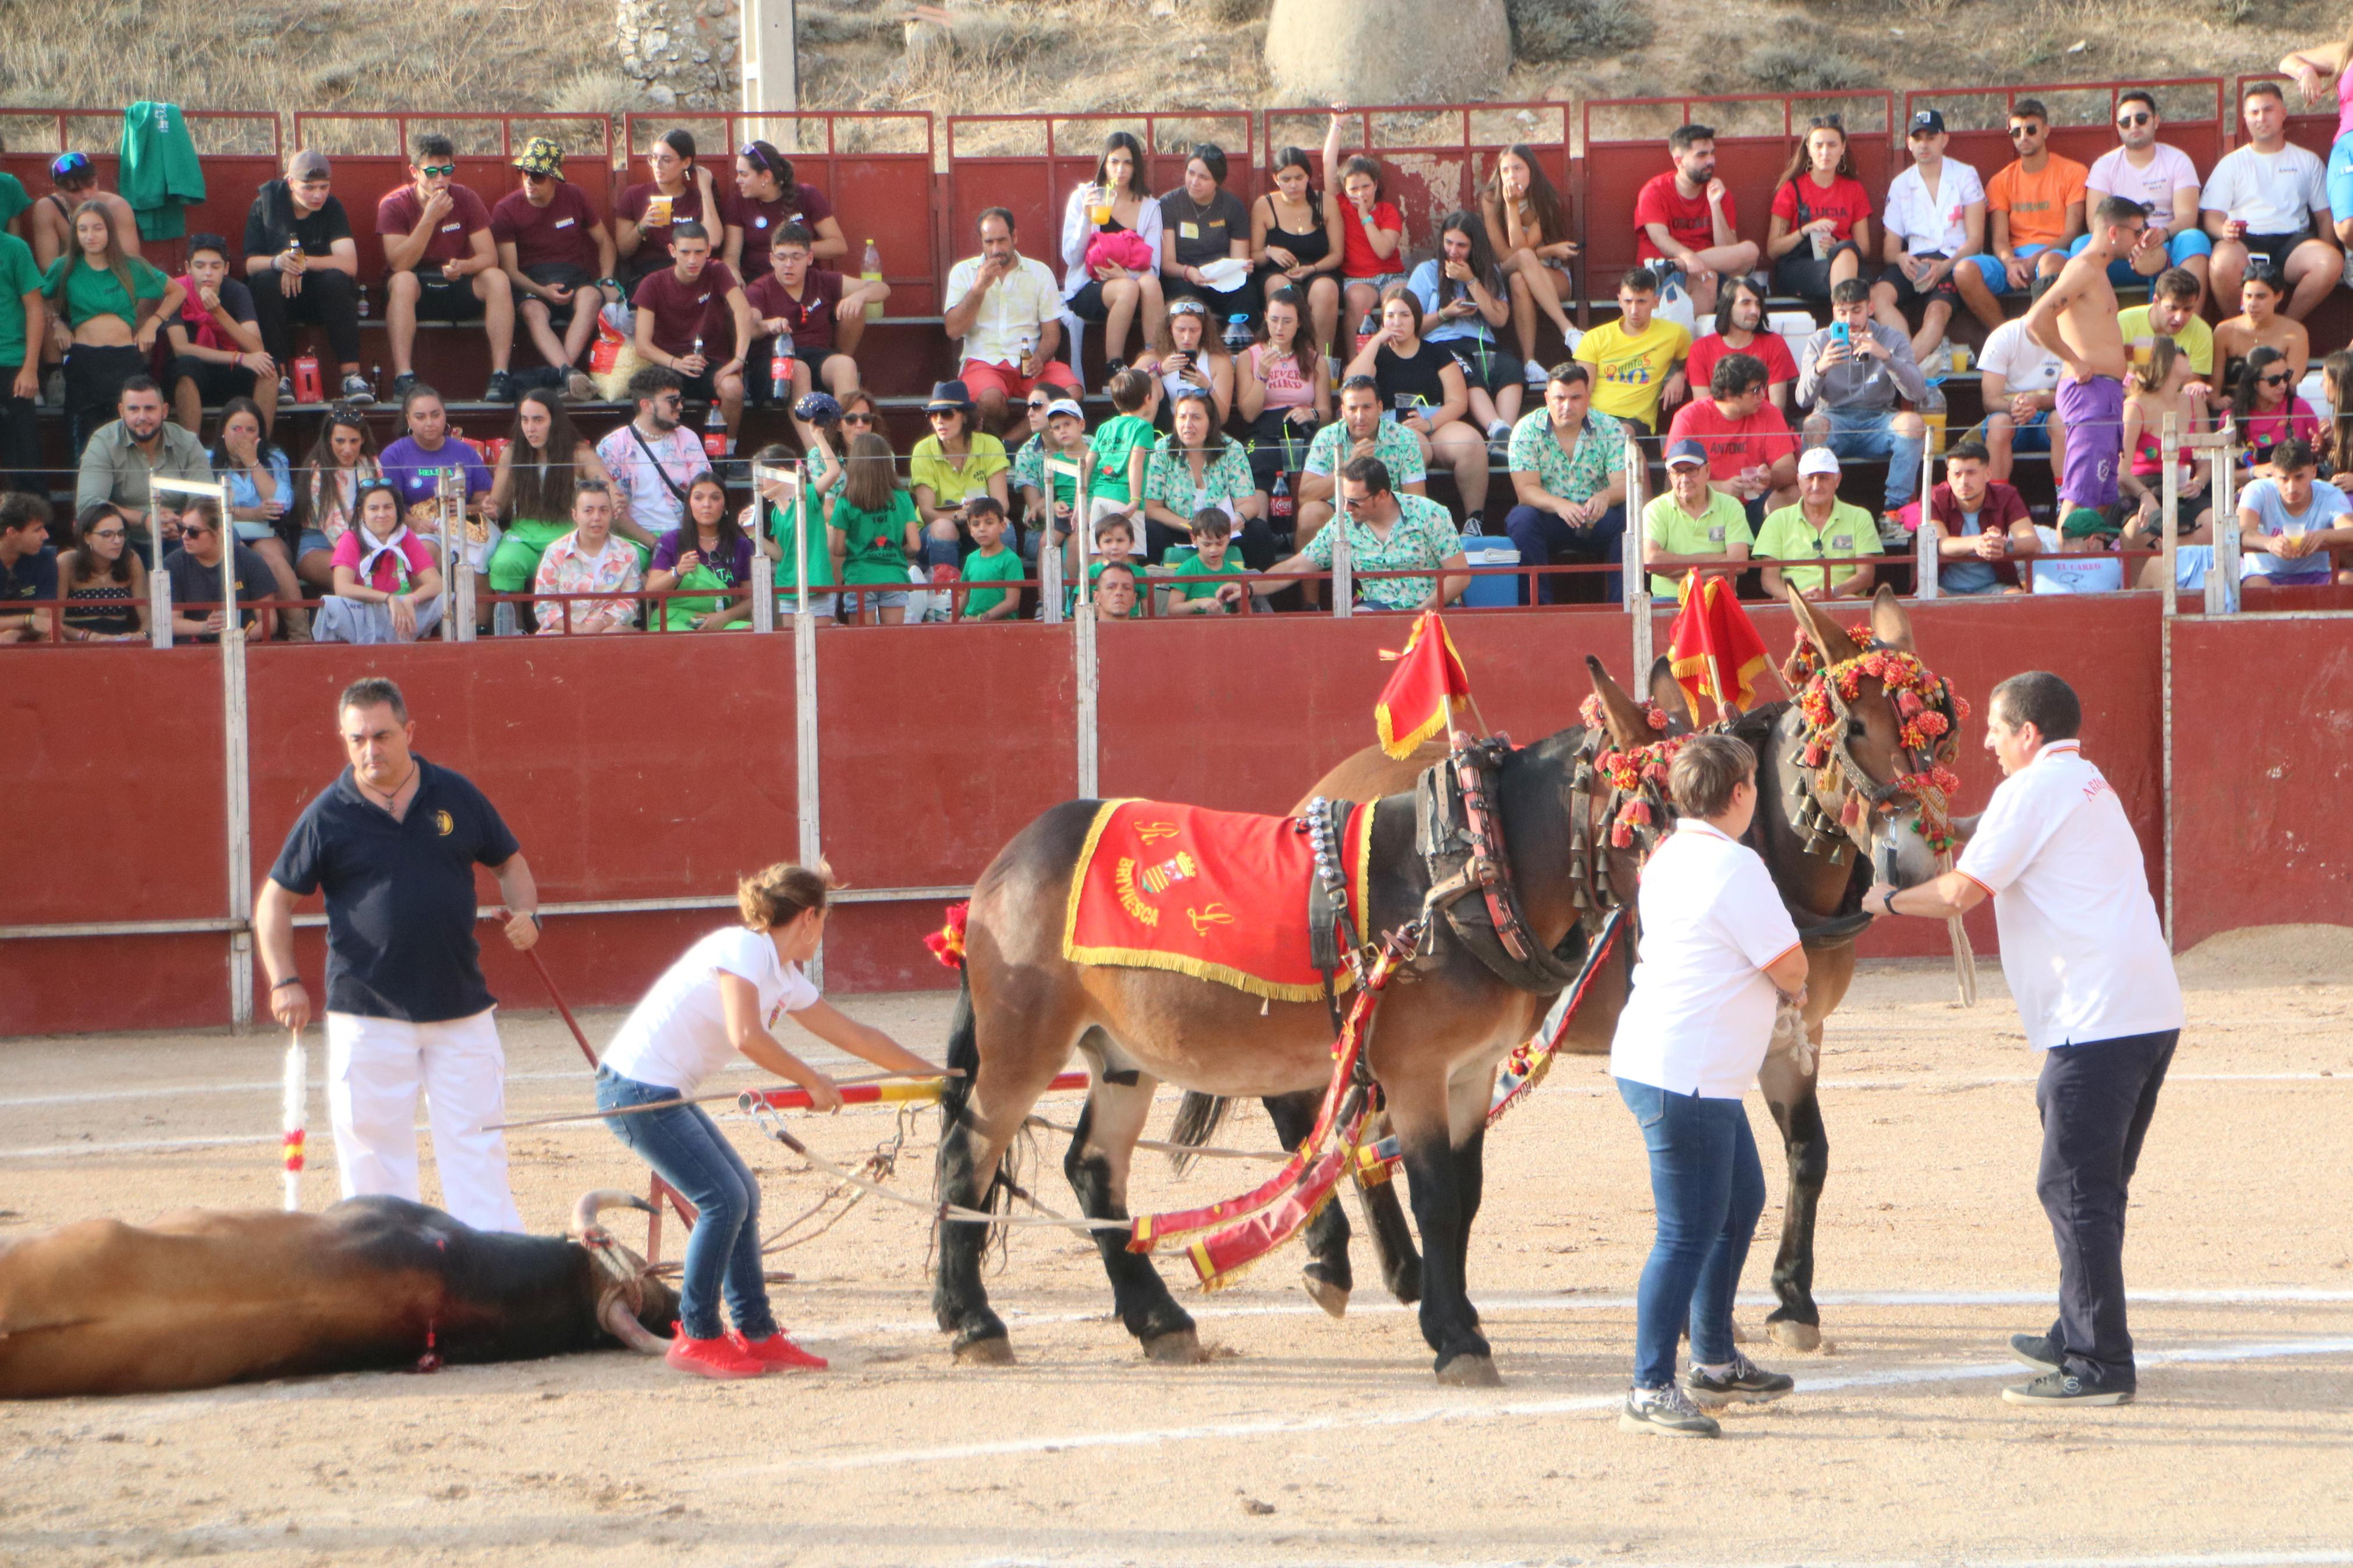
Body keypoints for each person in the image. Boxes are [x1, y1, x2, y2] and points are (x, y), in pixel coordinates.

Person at [1866, 671, 2182, 1406]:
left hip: (2098, 1019)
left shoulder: (2031, 791)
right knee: (2091, 1186)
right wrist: (1954, 827)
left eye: (1996, 730)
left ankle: (2099, 1362)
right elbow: (2006, 839)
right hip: (2141, 1009)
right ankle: (2078, 1325)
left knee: (2074, 1188)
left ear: (2027, 735)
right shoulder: (2083, 779)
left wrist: (1883, 900)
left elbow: (1959, 894)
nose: (1986, 741)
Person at [595, 863, 935, 1378]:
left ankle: (756, 1331)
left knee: (742, 1195)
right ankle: (698, 1333)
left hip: (662, 1089)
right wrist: (811, 1079)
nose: (823, 934)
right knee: (723, 1199)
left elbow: (858, 1036)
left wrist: (938, 1076)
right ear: (808, 917)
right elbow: (746, 1034)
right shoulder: (744, 948)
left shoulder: (782, 975)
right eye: (825, 920)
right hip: (635, 1089)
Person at [258, 678, 538, 1235]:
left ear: (408, 731)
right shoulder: (327, 814)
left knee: (478, 1147)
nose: (370, 750)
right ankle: (385, 1279)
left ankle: (491, 1276)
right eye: (357, 738)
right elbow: (274, 902)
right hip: (367, 1011)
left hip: (460, 1006)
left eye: (381, 735)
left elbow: (510, 865)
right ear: (343, 739)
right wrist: (283, 980)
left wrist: (528, 915)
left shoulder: (454, 794)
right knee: (373, 1161)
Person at [1610, 732, 1804, 1438]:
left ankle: (1715, 1360)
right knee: (1686, 1232)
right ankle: (1649, 1383)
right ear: (1740, 792)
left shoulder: (1666, 853)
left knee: (1740, 1199)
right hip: (1684, 1073)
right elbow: (1789, 965)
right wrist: (1791, 985)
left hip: (1685, 1067)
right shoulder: (1735, 864)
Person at [2024, 197, 2146, 520]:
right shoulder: (2082, 268)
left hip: (2105, 394)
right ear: (2115, 232)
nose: (2139, 240)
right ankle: (2068, 567)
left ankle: (2090, 564)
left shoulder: (2099, 273)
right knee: (2079, 497)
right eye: (2136, 232)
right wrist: (2074, 360)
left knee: (2101, 498)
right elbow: (2036, 321)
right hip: (2088, 394)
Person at [376, 133, 515, 404]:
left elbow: (490, 256)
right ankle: (403, 377)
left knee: (497, 279)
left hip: (457, 282)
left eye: (447, 170)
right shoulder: (394, 204)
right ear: (415, 171)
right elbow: (399, 263)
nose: (441, 179)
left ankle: (501, 374)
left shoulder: (466, 198)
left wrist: (464, 266)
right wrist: (429, 218)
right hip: (417, 287)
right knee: (402, 281)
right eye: (432, 172)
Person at [1346, 283, 1492, 529]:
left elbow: (1458, 400)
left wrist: (1430, 423)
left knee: (1471, 442)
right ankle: (1410, 522)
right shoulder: (1377, 356)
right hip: (1392, 425)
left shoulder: (1437, 353)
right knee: (1413, 443)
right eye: (1390, 316)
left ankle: (1474, 520)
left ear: (1416, 319)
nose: (1397, 322)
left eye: (1404, 315)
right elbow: (1352, 384)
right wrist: (1377, 341)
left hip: (1434, 420)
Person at [42, 200, 175, 451]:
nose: (90, 236)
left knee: (128, 435)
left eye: (97, 228)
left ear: (109, 231)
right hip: (84, 359)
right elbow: (40, 297)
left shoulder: (131, 266)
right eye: (83, 229)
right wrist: (57, 323)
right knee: (84, 438)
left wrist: (152, 324)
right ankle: (85, 490)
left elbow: (176, 291)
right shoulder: (64, 266)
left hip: (125, 359)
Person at [2201, 81, 2340, 323]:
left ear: (2283, 113)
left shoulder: (2307, 160)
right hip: (2245, 240)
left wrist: (2328, 251)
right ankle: (2239, 329)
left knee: (2330, 262)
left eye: (2268, 110)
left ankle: (2284, 326)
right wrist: (2223, 230)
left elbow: (2324, 217)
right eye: (2254, 112)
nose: (2261, 118)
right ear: (2245, 117)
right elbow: (2212, 217)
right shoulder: (2232, 164)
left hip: (2293, 243)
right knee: (2221, 262)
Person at [1796, 278, 1930, 522]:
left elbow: (1918, 393)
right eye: (1842, 312)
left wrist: (1887, 357)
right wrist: (1821, 367)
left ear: (1870, 309)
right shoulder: (1820, 341)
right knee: (1813, 424)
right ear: (1833, 311)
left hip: (1879, 419)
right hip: (1833, 419)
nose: (1849, 321)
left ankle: (1895, 510)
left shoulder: (1892, 338)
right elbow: (1803, 399)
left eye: (1856, 311)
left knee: (1912, 423)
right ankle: (1815, 507)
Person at [243, 150, 371, 405]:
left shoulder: (332, 208)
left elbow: (349, 264)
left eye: (324, 187)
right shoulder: (265, 205)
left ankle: (351, 375)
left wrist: (302, 262)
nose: (318, 195)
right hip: (278, 299)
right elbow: (249, 264)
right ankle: (278, 376)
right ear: (291, 183)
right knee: (264, 281)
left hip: (319, 297)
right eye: (309, 188)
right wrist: (278, 263)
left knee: (337, 280)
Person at [1262, 454, 1467, 611]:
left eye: (1354, 502)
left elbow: (1460, 577)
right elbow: (1298, 565)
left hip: (1436, 608)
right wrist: (1250, 588)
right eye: (1343, 500)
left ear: (1382, 496)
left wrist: (1421, 611)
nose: (1346, 509)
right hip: (1377, 608)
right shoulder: (1343, 524)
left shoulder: (1430, 513)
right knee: (1353, 628)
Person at [491, 137, 615, 393]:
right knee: (533, 312)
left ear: (555, 178)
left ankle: (564, 375)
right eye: (525, 173)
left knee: (592, 297)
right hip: (532, 280)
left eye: (538, 176)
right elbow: (510, 270)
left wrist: (607, 280)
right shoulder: (506, 209)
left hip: (574, 275)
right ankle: (569, 373)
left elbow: (605, 242)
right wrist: (542, 290)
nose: (529, 181)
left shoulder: (575, 196)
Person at [943, 207, 1082, 432]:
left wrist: (1040, 356)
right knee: (989, 401)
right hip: (984, 362)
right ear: (981, 242)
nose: (996, 249)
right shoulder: (964, 272)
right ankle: (999, 451)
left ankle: (1012, 441)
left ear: (1014, 237)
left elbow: (1052, 334)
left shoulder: (1039, 272)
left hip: (1031, 362)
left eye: (1002, 240)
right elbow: (953, 330)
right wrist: (979, 289)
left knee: (1072, 393)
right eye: (989, 242)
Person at [1505, 362, 1629, 605]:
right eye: (1559, 398)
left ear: (1588, 398)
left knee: (1628, 521)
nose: (1567, 406)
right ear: (1547, 398)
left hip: (1597, 516)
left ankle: (1622, 607)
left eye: (1575, 398)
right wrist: (1560, 505)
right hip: (1550, 517)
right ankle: (1537, 609)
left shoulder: (1610, 427)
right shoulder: (1526, 430)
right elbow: (1525, 490)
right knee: (1522, 520)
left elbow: (1624, 484)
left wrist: (1604, 497)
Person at [746, 222, 884, 441]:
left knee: (845, 364)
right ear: (772, 259)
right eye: (781, 257)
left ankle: (851, 450)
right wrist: (768, 325)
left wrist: (860, 296)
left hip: (819, 355)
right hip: (775, 361)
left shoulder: (822, 280)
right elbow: (751, 327)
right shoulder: (760, 288)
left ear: (809, 258)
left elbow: (882, 288)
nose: (788, 265)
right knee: (798, 369)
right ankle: (820, 457)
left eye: (796, 257)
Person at [1872, 109, 1988, 365]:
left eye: (1930, 137)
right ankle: (1906, 362)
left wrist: (1946, 266)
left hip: (1954, 258)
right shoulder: (1901, 184)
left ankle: (1902, 369)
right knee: (1877, 297)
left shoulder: (1965, 175)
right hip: (1915, 261)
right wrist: (1902, 258)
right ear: (1910, 143)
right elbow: (1889, 250)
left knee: (1937, 312)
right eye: (1918, 138)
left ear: (1944, 140)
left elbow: (1976, 240)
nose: (1924, 144)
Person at [2072, 90, 2212, 296]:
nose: (2134, 126)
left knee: (2195, 239)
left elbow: (2187, 217)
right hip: (2120, 250)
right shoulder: (2105, 166)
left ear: (2155, 121)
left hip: (2165, 244)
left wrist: (2163, 233)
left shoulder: (2177, 160)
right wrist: (2128, 243)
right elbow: (2096, 224)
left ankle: (2186, 323)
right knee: (2081, 246)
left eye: (2141, 119)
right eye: (2126, 122)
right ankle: (2099, 322)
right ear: (2119, 128)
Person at [630, 219, 751, 447]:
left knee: (734, 388)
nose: (692, 260)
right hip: (669, 364)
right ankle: (664, 452)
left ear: (708, 251)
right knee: (655, 399)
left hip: (712, 362)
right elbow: (642, 345)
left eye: (699, 252)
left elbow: (743, 310)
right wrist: (676, 363)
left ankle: (727, 451)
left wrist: (739, 359)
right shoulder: (652, 283)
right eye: (685, 252)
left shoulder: (717, 271)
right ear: (672, 251)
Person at [488, 389, 610, 613]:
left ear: (555, 421)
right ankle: (514, 633)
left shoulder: (579, 453)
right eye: (525, 420)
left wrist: (615, 497)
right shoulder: (512, 453)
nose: (530, 428)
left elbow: (606, 488)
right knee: (504, 564)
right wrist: (491, 507)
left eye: (538, 420)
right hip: (523, 536)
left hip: (569, 535)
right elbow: (497, 504)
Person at [1968, 99, 2088, 325]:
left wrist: (2035, 259)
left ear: (2046, 131)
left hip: (2055, 253)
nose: (2023, 137)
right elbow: (2000, 239)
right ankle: (2005, 336)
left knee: (2049, 265)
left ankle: (2041, 333)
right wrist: (2010, 263)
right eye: (2016, 132)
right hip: (2015, 260)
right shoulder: (2001, 181)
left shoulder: (2073, 172)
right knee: (1965, 271)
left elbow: (2071, 233)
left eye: (2031, 130)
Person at [1407, 211, 1522, 446]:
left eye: (1462, 245)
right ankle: (1495, 426)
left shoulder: (1488, 272)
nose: (1453, 251)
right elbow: (1410, 327)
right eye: (1449, 243)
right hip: (1440, 345)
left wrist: (1472, 281)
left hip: (1480, 342)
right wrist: (1445, 314)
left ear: (1474, 246)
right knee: (1464, 371)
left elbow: (1500, 319)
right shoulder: (1426, 272)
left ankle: (1504, 439)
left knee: (1510, 367)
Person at [74, 375, 212, 566]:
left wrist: (180, 524)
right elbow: (88, 505)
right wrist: (146, 519)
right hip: (122, 537)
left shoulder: (187, 442)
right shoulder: (103, 442)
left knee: (225, 536)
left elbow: (206, 501)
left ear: (164, 411)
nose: (142, 417)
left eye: (149, 409)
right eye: (133, 409)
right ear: (122, 411)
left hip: (178, 535)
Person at [1297, 374, 1429, 571]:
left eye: (1367, 407)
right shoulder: (1327, 437)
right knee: (1310, 513)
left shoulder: (1404, 438)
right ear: (1343, 411)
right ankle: (1311, 602)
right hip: (1341, 515)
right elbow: (1305, 496)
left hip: (1386, 513)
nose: (1360, 416)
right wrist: (1348, 465)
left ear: (1380, 408)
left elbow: (1417, 500)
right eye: (1352, 409)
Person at [379, 386, 495, 599]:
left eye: (436, 415)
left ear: (445, 415)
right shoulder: (393, 455)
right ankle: (423, 624)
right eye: (420, 417)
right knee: (425, 552)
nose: (430, 423)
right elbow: (389, 505)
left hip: (462, 526)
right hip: (416, 529)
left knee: (477, 568)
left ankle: (475, 630)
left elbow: (483, 500)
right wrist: (414, 523)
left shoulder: (466, 452)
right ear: (408, 420)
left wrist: (465, 507)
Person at [1632, 123, 1759, 316]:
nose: (1711, 161)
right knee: (1707, 277)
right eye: (1701, 155)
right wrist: (1688, 259)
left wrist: (1715, 204)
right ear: (1679, 161)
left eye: (1712, 153)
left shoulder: (1720, 193)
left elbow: (1729, 249)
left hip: (1702, 269)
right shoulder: (1654, 191)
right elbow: (1660, 238)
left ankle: (1678, 266)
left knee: (1751, 251)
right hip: (1663, 276)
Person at [1663, 352, 1798, 529]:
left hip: (1755, 502)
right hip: (1707, 504)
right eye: (1755, 390)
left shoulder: (1769, 413)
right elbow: (1673, 479)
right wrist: (1719, 488)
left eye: (1763, 387)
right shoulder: (1689, 418)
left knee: (1794, 495)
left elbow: (1788, 469)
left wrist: (1769, 478)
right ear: (1728, 393)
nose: (1763, 395)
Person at [1141, 386, 1271, 564]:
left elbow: (1249, 503)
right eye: (1182, 417)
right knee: (1149, 531)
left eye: (1196, 417)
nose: (1188, 425)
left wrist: (1237, 520)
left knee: (1259, 531)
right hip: (1181, 528)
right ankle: (1157, 591)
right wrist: (1189, 526)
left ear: (1211, 422)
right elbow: (1152, 508)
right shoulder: (1162, 448)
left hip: (1223, 532)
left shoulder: (1231, 449)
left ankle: (1255, 591)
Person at [1481, 143, 1580, 376]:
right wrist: (1511, 206)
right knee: (1519, 268)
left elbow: (1523, 248)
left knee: (1519, 280)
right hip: (1506, 267)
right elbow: (1509, 254)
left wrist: (1545, 254)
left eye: (1518, 168)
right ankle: (1568, 330)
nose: (1511, 175)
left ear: (1531, 172)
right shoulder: (1490, 200)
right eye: (1505, 170)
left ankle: (1529, 364)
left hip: (1549, 276)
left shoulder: (1544, 200)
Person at [212, 396, 305, 638]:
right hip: (224, 536)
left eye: (250, 430)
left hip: (269, 534)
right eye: (236, 429)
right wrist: (251, 513)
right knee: (240, 551)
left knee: (271, 557)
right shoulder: (208, 459)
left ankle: (300, 633)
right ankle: (256, 630)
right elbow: (208, 510)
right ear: (223, 431)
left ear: (260, 434)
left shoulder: (273, 458)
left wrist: (252, 462)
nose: (242, 436)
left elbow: (281, 504)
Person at [164, 233, 274, 436]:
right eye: (200, 266)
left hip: (230, 372)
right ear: (188, 268)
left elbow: (256, 347)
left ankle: (261, 446)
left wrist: (219, 313)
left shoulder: (237, 292)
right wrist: (240, 357)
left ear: (226, 269)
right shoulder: (176, 291)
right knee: (185, 368)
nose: (208, 274)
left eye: (215, 267)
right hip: (193, 371)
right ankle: (191, 450)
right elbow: (181, 348)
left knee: (267, 369)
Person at [315, 479, 445, 644]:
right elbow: (342, 588)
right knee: (334, 605)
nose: (382, 514)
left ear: (398, 510)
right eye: (373, 509)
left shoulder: (406, 537)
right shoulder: (351, 538)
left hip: (403, 611)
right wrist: (388, 599)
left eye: (388, 507)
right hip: (362, 613)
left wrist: (411, 599)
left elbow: (437, 584)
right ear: (361, 513)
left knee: (446, 599)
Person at [1250, 136, 1344, 360]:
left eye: (1299, 178)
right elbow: (1253, 256)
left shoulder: (1326, 202)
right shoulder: (1265, 206)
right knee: (1280, 289)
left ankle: (1323, 361)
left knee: (1326, 291)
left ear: (1308, 177)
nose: (1293, 185)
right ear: (1276, 179)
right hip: (1276, 272)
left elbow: (1337, 254)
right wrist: (1269, 251)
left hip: (1318, 270)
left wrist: (1311, 269)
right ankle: (1282, 359)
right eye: (1286, 179)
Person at [599, 366, 708, 556]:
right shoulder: (612, 446)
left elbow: (705, 492)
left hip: (682, 539)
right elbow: (610, 510)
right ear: (647, 406)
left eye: (680, 400)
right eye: (673, 401)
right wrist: (655, 544)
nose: (680, 406)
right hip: (631, 541)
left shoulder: (687, 438)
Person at [1766, 115, 1872, 304]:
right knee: (1849, 278)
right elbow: (1773, 249)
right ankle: (1844, 325)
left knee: (1847, 254)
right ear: (1809, 148)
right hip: (1800, 265)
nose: (1825, 152)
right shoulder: (1791, 189)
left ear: (1842, 148)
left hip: (1842, 259)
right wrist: (1805, 231)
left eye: (1832, 145)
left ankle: (1841, 322)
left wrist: (1836, 245)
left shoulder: (1853, 189)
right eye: (1819, 145)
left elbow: (1864, 248)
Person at [1236, 287, 1332, 496]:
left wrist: (1312, 413)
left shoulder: (1315, 360)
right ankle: (1260, 526)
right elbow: (1249, 413)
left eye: (1287, 321)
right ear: (1265, 318)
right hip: (1264, 430)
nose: (1279, 328)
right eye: (1274, 320)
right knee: (1260, 461)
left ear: (1299, 323)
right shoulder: (1249, 357)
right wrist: (1261, 375)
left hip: (1301, 429)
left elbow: (1325, 413)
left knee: (1313, 461)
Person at [2117, 339, 2214, 542]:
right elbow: (2121, 470)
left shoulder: (2196, 404)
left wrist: (2199, 482)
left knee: (2212, 525)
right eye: (2182, 351)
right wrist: (2145, 495)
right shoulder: (2135, 406)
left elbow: (2205, 460)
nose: (2188, 356)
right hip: (2143, 487)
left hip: (2183, 489)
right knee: (2139, 531)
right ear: (2164, 359)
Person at [1575, 268, 1690, 434]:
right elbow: (1583, 389)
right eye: (1628, 302)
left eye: (1642, 302)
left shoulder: (1675, 334)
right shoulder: (1595, 338)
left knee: (1622, 434)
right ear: (1620, 301)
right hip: (1596, 418)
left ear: (1656, 302)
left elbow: (1697, 363)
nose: (1634, 310)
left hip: (1636, 421)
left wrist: (1681, 375)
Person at [1754, 447, 1879, 600]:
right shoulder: (1777, 520)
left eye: (1823, 478)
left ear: (1837, 480)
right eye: (1809, 478)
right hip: (1793, 606)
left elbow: (1866, 575)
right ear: (1799, 481)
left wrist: (1832, 593)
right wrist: (1798, 600)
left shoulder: (1860, 517)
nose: (1815, 485)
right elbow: (1769, 580)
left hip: (1842, 602)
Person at [1918, 439, 2039, 595]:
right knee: (1929, 597)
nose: (1963, 481)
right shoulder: (1932, 497)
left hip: (1994, 586)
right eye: (1957, 474)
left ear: (1988, 474)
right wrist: (1977, 543)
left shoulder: (2006, 495)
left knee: (2016, 598)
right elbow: (1940, 544)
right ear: (1948, 477)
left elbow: (2033, 543)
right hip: (1943, 587)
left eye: (1971, 473)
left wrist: (2003, 545)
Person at [1979, 282, 2068, 487]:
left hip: (2048, 415)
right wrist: (2015, 407)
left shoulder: (2068, 336)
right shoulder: (2004, 336)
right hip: (2010, 414)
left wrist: (2037, 402)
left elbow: (2069, 392)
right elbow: (1990, 399)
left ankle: (2063, 497)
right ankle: (1997, 497)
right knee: (1999, 424)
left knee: (2063, 421)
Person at [1641, 439, 1754, 599]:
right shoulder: (1655, 509)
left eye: (1691, 470)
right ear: (1669, 476)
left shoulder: (1731, 506)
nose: (1684, 479)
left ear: (1707, 471)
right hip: (1670, 599)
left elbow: (1739, 563)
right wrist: (1716, 559)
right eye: (1677, 472)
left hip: (1718, 598)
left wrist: (1688, 578)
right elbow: (1652, 561)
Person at [830, 429, 921, 625]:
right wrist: (898, 551)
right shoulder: (903, 497)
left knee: (863, 644)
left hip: (860, 577)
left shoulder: (846, 500)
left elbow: (837, 549)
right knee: (894, 642)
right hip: (894, 576)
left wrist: (857, 548)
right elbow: (915, 545)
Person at [1158, 141, 1254, 327]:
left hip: (1221, 279)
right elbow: (1167, 264)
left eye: (1204, 177)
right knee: (1186, 300)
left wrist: (1241, 268)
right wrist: (1189, 272)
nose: (1194, 182)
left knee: (1246, 294)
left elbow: (1238, 260)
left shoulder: (1233, 207)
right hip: (1184, 277)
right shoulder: (1169, 204)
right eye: (1191, 173)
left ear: (1217, 181)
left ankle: (1241, 351)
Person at [646, 472, 756, 631]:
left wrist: (725, 617)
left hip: (721, 619)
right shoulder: (670, 541)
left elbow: (752, 600)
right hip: (676, 621)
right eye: (699, 498)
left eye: (715, 498)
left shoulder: (741, 545)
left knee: (749, 631)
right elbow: (651, 593)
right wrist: (677, 572)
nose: (707, 504)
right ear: (689, 503)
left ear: (725, 505)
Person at [616, 127, 726, 286]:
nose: (658, 165)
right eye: (654, 158)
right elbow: (623, 251)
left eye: (666, 160)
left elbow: (714, 241)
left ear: (686, 162)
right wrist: (641, 227)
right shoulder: (635, 195)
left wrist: (705, 191)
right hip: (650, 276)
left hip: (691, 276)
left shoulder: (696, 198)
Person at [2237, 437, 2353, 587]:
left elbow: (2350, 531)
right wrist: (2270, 544)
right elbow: (2242, 532)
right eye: (2284, 479)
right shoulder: (2257, 490)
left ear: (2313, 472)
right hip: (2265, 575)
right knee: (2254, 588)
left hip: (2316, 574)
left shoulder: (2330, 493)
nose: (2292, 488)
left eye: (2299, 477)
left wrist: (2322, 536)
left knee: (2347, 582)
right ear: (2273, 474)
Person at [532, 478, 642, 634]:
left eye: (604, 510)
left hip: (609, 628)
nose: (596, 517)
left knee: (614, 634)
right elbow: (545, 606)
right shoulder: (555, 552)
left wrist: (597, 626)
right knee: (553, 638)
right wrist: (578, 630)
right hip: (565, 630)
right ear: (575, 515)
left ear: (611, 513)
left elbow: (630, 602)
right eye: (588, 511)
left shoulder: (628, 553)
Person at [161, 495, 276, 643]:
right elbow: (168, 623)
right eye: (181, 528)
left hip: (245, 650)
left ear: (219, 532)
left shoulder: (250, 561)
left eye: (193, 532)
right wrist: (205, 627)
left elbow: (269, 622)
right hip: (192, 652)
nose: (185, 536)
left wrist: (243, 637)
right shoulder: (173, 564)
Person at [725, 139, 846, 275]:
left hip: (805, 280)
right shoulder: (738, 203)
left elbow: (838, 246)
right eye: (738, 173)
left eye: (744, 174)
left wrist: (794, 250)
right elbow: (731, 256)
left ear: (766, 176)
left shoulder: (806, 195)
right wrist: (733, 275)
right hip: (760, 284)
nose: (738, 180)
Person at [294, 408, 382, 594]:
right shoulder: (317, 472)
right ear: (328, 440)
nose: (348, 449)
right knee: (357, 571)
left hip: (368, 542)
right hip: (318, 544)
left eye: (354, 441)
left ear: (363, 439)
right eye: (340, 441)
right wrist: (367, 553)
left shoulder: (372, 465)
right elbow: (332, 525)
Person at [1686, 276, 1797, 413]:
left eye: (1758, 304)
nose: (1754, 311)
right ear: (1728, 306)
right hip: (1719, 431)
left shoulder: (1775, 344)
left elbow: (1777, 407)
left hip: (1763, 429)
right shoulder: (1700, 349)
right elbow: (1704, 409)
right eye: (1746, 303)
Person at [1335, 140, 1407, 338]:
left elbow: (1384, 251)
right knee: (1356, 301)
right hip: (1358, 278)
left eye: (1366, 186)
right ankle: (1354, 364)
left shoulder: (1388, 211)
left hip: (1391, 275)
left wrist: (1366, 217)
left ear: (1375, 185)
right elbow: (1328, 164)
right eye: (1354, 189)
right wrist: (1337, 126)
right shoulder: (1341, 205)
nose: (1361, 194)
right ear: (1345, 190)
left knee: (1400, 302)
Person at [27, 151, 140, 272]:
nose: (86, 195)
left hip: (113, 280)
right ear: (58, 190)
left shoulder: (117, 207)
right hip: (69, 281)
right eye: (75, 190)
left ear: (96, 179)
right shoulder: (48, 209)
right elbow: (47, 269)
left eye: (91, 185)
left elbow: (132, 263)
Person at [55, 501, 147, 643]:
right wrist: (87, 636)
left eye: (121, 534)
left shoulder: (131, 560)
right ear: (87, 537)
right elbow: (53, 622)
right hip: (78, 644)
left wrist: (142, 634)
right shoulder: (66, 562)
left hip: (121, 644)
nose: (117, 541)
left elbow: (148, 616)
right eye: (107, 535)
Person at [2212, 268, 2309, 393]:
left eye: (2261, 297)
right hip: (2232, 405)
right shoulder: (2224, 331)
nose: (2252, 304)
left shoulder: (2296, 333)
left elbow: (2290, 385)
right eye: (2248, 296)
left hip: (2277, 404)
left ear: (2278, 296)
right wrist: (2217, 401)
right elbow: (2214, 384)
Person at [2233, 344, 2322, 477]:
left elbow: (2318, 458)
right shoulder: (2233, 419)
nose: (2282, 385)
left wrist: (2321, 446)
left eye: (2286, 377)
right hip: (2253, 490)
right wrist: (2254, 472)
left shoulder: (2300, 408)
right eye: (2274, 381)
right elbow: (2222, 475)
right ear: (2253, 383)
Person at [1087, 368, 1162, 525]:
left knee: (1099, 549)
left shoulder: (1104, 427)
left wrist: (1079, 504)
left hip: (1099, 498)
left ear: (1115, 401)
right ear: (1148, 398)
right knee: (1132, 549)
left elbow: (1086, 465)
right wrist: (1135, 499)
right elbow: (1136, 463)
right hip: (1126, 499)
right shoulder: (1143, 427)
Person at [1145, 298, 1234, 429]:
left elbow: (1223, 418)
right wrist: (1159, 370)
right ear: (1170, 329)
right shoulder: (1157, 357)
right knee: (1151, 380)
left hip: (1203, 431)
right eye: (1181, 330)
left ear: (1203, 331)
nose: (1187, 337)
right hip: (1165, 428)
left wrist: (1208, 387)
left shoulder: (1218, 362)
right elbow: (1124, 385)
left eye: (1194, 330)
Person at [0, 219, 43, 489]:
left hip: (13, 364)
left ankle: (38, 526)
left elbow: (35, 308)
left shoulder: (15, 248)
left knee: (26, 452)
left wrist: (30, 368)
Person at [1016, 396, 1090, 549]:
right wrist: (1043, 507)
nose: (1063, 431)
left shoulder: (1093, 456)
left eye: (1067, 424)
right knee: (1046, 542)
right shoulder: (1054, 461)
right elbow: (1051, 494)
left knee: (1076, 542)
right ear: (1052, 432)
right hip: (1065, 513)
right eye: (1057, 428)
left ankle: (1073, 575)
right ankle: (1045, 575)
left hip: (1089, 510)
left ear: (1081, 425)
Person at [1161, 507, 1249, 615]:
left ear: (1229, 538)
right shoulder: (1187, 570)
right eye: (1207, 544)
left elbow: (1247, 613)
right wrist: (1197, 604)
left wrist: (1226, 617)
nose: (1213, 550)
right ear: (1194, 539)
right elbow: (1172, 610)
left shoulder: (1235, 572)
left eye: (1219, 543)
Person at [954, 495, 1024, 621]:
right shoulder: (971, 559)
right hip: (971, 627)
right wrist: (951, 621)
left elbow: (1012, 603)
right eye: (976, 524)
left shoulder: (1011, 560)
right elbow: (966, 595)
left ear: (1003, 526)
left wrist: (980, 619)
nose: (982, 529)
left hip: (1003, 629)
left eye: (989, 523)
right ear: (970, 530)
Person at [0, 491, 56, 642]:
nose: (46, 536)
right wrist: (27, 619)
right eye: (37, 530)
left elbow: (44, 622)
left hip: (28, 638)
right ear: (12, 533)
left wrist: (16, 634)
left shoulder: (45, 558)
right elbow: (35, 620)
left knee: (52, 641)